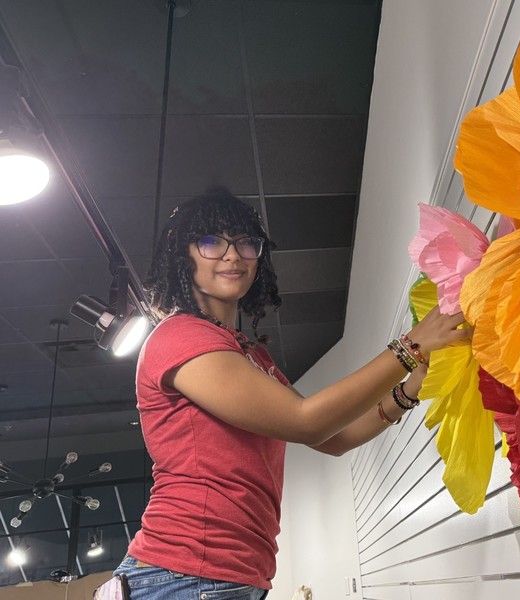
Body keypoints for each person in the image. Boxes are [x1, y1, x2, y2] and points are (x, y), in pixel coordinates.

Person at [109, 187, 468, 599]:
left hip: (223, 577)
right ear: (182, 255)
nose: (233, 255)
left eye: (246, 242)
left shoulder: (250, 353)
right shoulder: (179, 336)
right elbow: (306, 421)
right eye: (211, 241)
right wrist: (411, 346)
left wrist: (407, 392)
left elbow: (333, 438)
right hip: (183, 574)